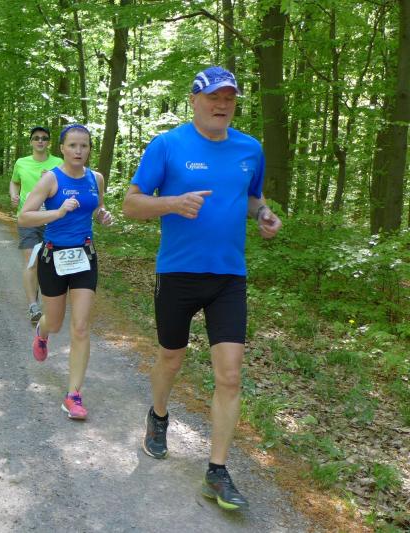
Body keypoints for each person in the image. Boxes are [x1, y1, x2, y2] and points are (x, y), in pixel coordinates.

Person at [122, 66, 283, 511]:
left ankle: (217, 470)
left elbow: (250, 197)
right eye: (214, 96)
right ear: (194, 100)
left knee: (230, 375)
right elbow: (131, 203)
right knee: (171, 357)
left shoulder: (250, 149)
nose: (222, 104)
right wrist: (172, 203)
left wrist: (263, 214)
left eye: (229, 98)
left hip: (229, 276)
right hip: (178, 273)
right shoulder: (167, 145)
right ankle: (158, 416)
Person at [19, 124, 112, 421]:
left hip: (85, 255)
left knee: (81, 327)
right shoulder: (51, 179)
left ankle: (73, 395)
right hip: (54, 256)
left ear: (89, 148)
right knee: (56, 322)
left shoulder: (96, 178)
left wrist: (102, 215)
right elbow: (24, 217)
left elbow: (95, 208)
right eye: (72, 145)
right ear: (62, 148)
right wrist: (58, 213)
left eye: (84, 146)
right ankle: (42, 331)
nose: (78, 151)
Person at [10, 126, 63, 323]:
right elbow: (14, 182)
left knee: (50, 263)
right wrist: (14, 195)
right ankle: (33, 306)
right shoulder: (21, 162)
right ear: (31, 142)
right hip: (28, 218)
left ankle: (51, 300)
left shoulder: (59, 163)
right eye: (36, 138)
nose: (40, 141)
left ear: (49, 142)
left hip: (52, 218)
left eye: (44, 138)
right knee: (31, 260)